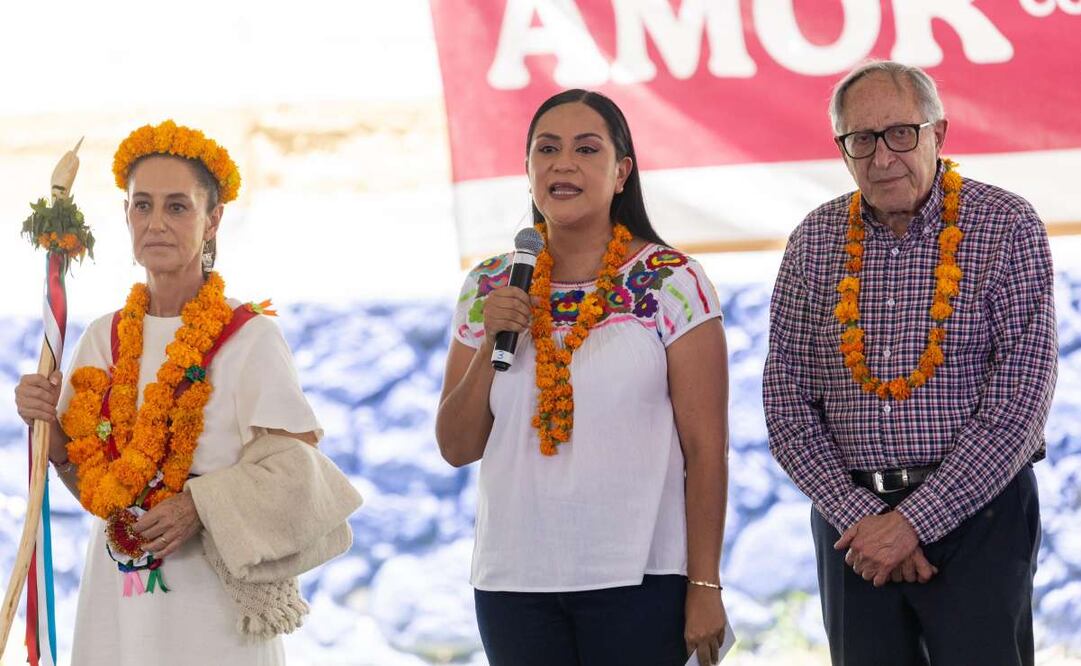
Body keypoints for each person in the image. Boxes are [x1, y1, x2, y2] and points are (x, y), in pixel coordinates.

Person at [14, 120, 361, 665]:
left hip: (216, 612)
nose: (156, 223)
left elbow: (299, 479)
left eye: (177, 207)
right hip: (118, 602)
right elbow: (94, 489)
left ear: (212, 220)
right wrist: (50, 435)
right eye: (141, 205)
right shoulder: (100, 338)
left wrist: (199, 505)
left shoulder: (250, 339)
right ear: (126, 215)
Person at [763, 60, 1056, 665]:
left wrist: (914, 522)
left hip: (981, 515)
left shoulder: (1006, 226)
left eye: (900, 133)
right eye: (860, 140)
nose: (881, 157)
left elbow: (1020, 402)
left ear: (938, 135)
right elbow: (787, 404)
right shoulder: (813, 242)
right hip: (854, 532)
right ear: (841, 149)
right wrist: (867, 522)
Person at [436, 89, 730, 666]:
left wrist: (705, 585)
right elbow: (456, 445)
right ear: (528, 169)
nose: (563, 163)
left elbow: (707, 450)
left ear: (621, 172)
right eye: (547, 149)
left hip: (640, 574)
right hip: (514, 582)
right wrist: (491, 337)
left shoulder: (672, 281)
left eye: (585, 149)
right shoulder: (490, 285)